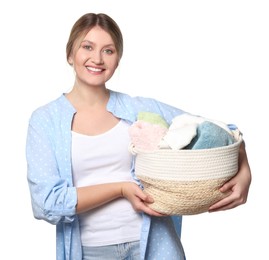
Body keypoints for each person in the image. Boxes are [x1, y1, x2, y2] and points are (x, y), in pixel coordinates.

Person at [26, 13, 252, 260]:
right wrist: (121, 189)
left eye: (108, 50)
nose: (97, 59)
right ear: (70, 54)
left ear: (118, 59)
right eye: (87, 47)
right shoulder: (45, 120)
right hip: (92, 252)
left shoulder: (139, 109)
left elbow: (221, 130)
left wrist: (245, 171)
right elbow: (47, 203)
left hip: (156, 246)